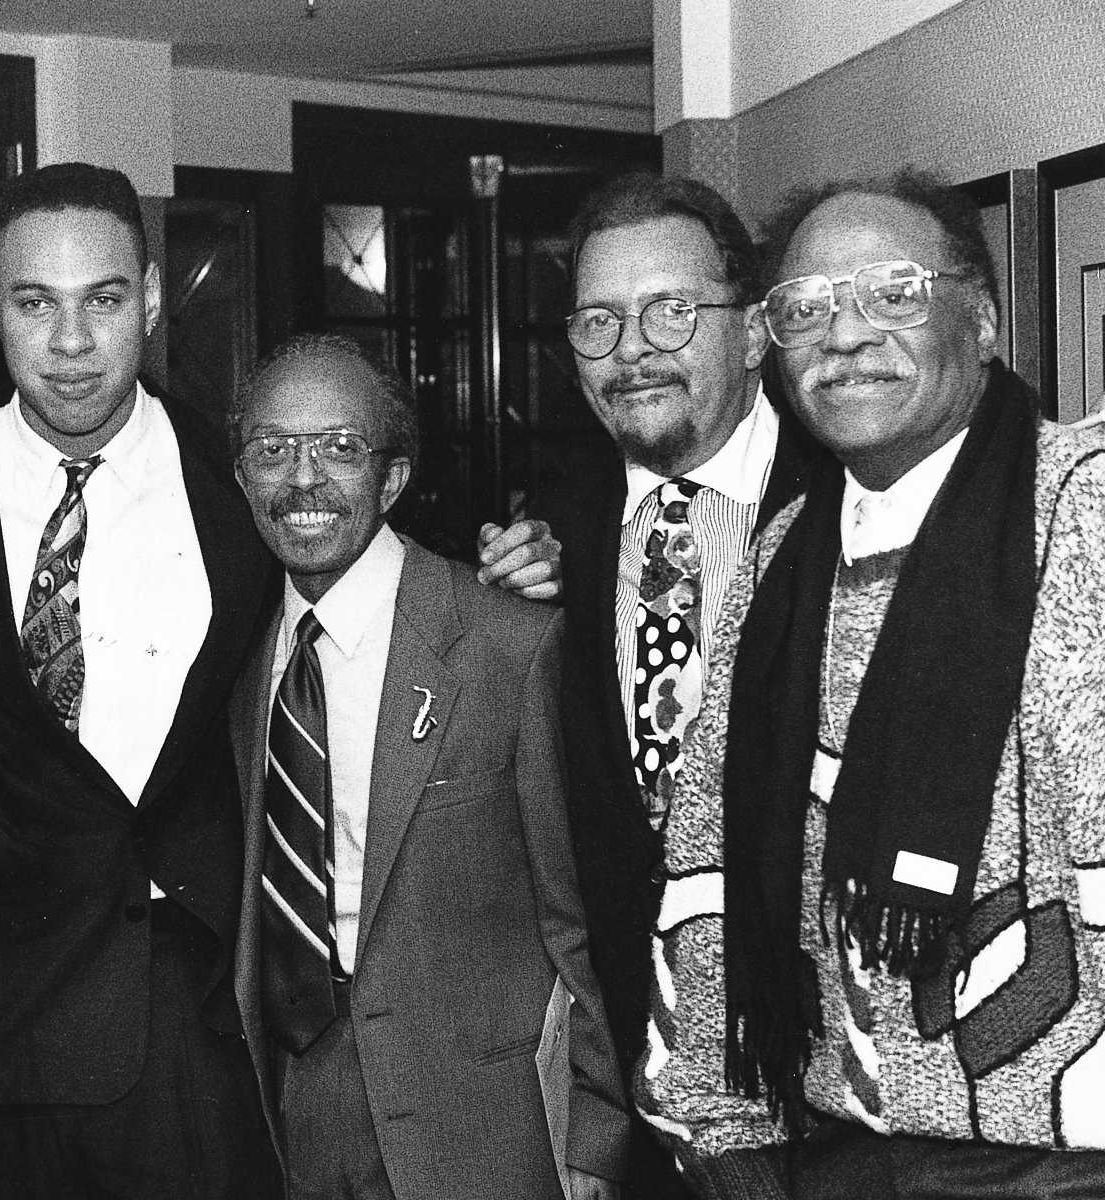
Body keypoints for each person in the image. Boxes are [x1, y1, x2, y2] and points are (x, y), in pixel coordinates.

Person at [0, 163, 560, 1198]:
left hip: (193, 1040)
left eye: (106, 301)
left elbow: (384, 581)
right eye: (36, 302)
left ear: (156, 299)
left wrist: (520, 571)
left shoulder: (245, 490)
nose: (72, 343)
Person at [640, 168, 1105, 1198]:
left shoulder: (1079, 515)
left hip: (1055, 1161)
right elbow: (708, 848)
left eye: (893, 293)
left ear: (980, 320)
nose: (844, 335)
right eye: (804, 309)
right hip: (829, 1143)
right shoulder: (788, 553)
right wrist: (713, 1125)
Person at [484, 173, 827, 1200]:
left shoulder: (855, 504)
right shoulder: (550, 539)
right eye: (600, 320)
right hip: (636, 1106)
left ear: (756, 328)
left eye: (672, 311)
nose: (632, 349)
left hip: (837, 1096)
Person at [227, 333, 629, 1200]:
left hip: (484, 1126)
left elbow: (579, 915)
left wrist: (599, 1137)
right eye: (273, 450)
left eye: (340, 448)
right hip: (296, 1114)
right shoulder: (231, 662)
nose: (303, 480)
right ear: (241, 477)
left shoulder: (507, 644)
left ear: (393, 478)